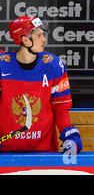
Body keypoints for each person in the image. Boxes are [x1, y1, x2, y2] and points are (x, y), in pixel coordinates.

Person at [0, 16, 82, 153]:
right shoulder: (2, 65)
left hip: (45, 153)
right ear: (25, 40)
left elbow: (61, 109)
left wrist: (71, 138)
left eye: (43, 35)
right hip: (5, 155)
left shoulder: (54, 66)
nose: (44, 40)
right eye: (38, 36)